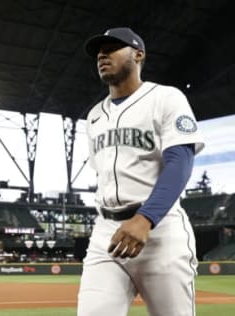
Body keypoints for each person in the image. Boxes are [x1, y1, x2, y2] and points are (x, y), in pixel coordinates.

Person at [77, 27, 205, 316]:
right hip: (107, 234)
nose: (102, 55)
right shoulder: (94, 116)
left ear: (138, 54)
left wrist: (146, 218)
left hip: (160, 231)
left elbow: (180, 161)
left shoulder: (166, 98)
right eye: (99, 51)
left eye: (112, 48)